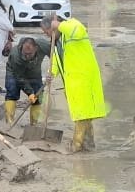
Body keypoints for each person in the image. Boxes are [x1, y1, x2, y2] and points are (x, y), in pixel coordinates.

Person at [44, 12, 108, 152]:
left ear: (54, 26)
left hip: (83, 78)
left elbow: (78, 30)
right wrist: (51, 74)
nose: (46, 34)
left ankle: (76, 145)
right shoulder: (57, 42)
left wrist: (60, 25)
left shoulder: (72, 25)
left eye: (46, 31)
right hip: (73, 81)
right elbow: (56, 60)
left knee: (81, 114)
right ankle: (89, 144)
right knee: (84, 114)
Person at [3, 34, 50, 126]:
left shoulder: (43, 45)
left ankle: (34, 124)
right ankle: (9, 121)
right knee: (12, 92)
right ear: (22, 48)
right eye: (25, 54)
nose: (27, 56)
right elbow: (20, 78)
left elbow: (55, 54)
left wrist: (53, 70)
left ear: (36, 48)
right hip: (14, 73)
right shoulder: (15, 55)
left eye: (30, 54)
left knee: (38, 97)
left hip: (34, 74)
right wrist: (30, 93)